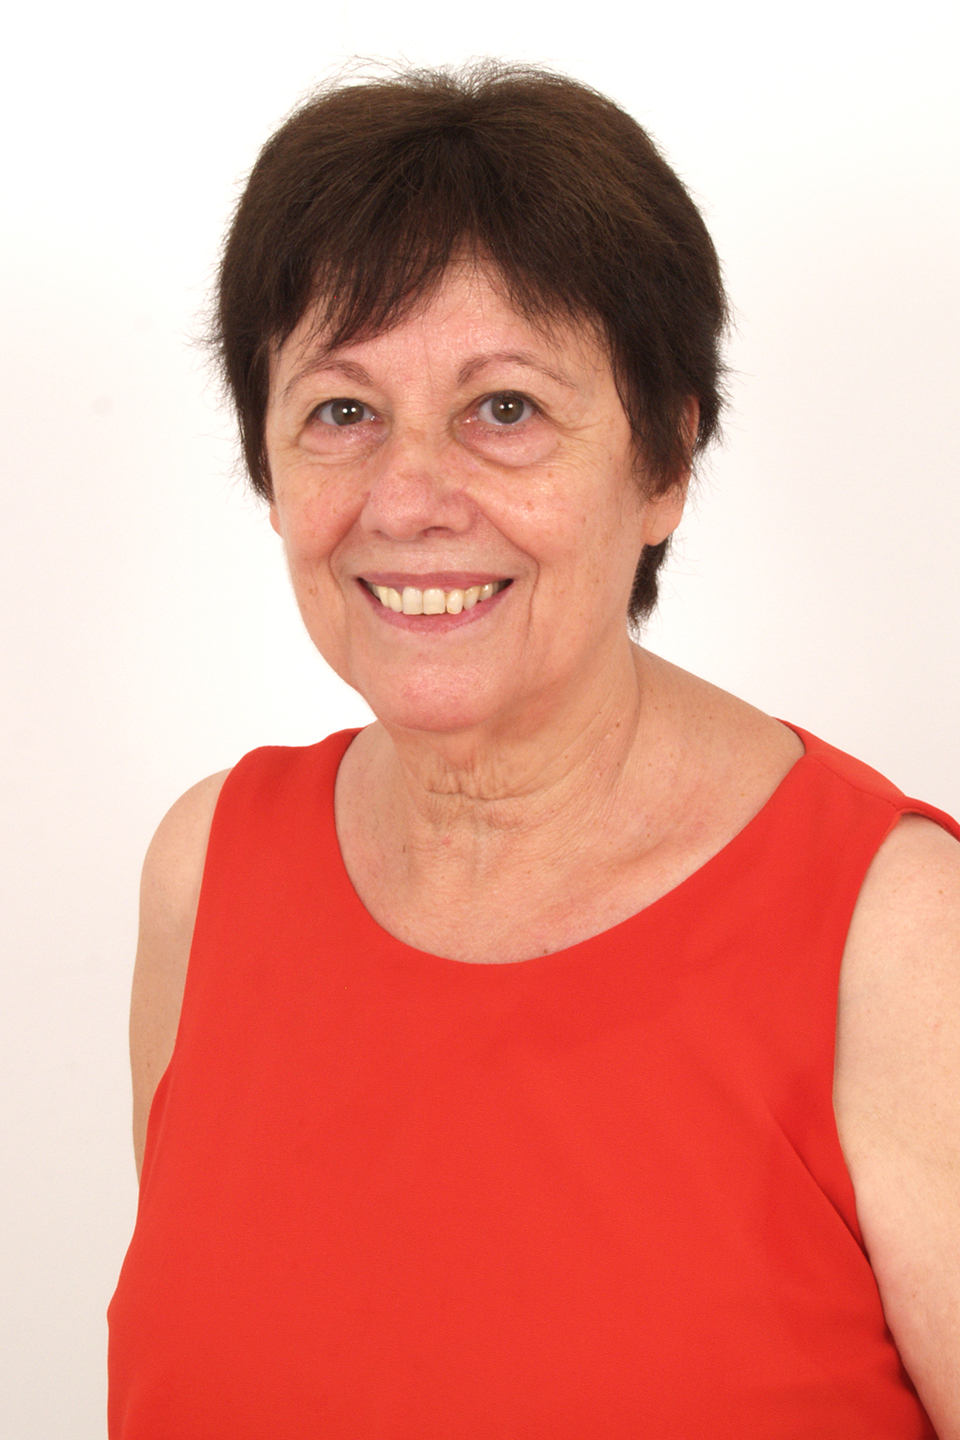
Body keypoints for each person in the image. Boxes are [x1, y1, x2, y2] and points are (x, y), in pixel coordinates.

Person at [108, 63, 960, 1438]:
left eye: (505, 408)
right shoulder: (207, 873)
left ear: (665, 461)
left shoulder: (901, 938)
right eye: (341, 411)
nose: (408, 499)